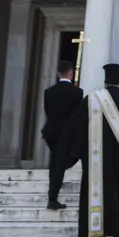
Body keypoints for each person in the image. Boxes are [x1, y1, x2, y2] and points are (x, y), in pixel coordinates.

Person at [57, 63, 119, 237]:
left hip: (94, 161)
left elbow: (75, 129)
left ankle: (96, 234)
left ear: (105, 81)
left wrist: (72, 155)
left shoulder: (91, 100)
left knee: (94, 195)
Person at [42, 61, 84, 210]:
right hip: (68, 134)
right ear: (71, 73)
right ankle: (52, 199)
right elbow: (79, 115)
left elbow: (48, 112)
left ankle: (52, 197)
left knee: (56, 163)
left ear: (57, 74)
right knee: (63, 162)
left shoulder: (48, 92)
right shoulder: (77, 93)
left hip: (52, 133)